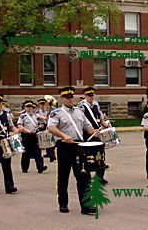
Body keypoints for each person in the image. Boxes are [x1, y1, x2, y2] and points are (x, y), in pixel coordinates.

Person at [47, 86, 100, 215]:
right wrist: (63, 135)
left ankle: (86, 205)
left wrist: (94, 132)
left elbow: (87, 126)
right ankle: (63, 203)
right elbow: (51, 127)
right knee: (63, 176)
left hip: (79, 146)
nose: (70, 100)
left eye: (71, 97)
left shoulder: (79, 112)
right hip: (64, 146)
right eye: (67, 98)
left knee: (83, 175)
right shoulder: (56, 112)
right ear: (62, 99)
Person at [79, 87, 109, 184]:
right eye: (89, 96)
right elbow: (80, 122)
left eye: (92, 95)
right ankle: (87, 176)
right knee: (88, 156)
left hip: (98, 133)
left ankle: (100, 177)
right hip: (87, 135)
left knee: (100, 155)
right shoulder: (81, 106)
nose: (91, 97)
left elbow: (100, 119)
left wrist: (107, 126)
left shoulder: (96, 105)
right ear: (85, 96)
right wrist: (90, 131)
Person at [17, 100, 47, 173]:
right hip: (26, 136)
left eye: (30, 107)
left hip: (34, 135)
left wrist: (40, 125)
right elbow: (19, 126)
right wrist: (28, 131)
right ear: (25, 108)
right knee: (26, 153)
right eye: (28, 107)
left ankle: (40, 167)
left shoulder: (35, 115)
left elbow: (41, 122)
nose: (30, 108)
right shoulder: (22, 116)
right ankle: (24, 168)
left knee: (37, 151)